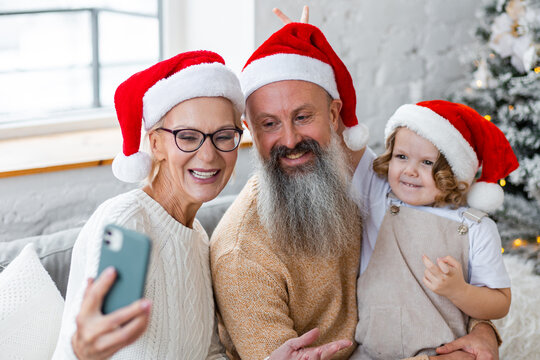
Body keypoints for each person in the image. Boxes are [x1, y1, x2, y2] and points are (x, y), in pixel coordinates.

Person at [210, 18, 503, 360]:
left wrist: (483, 330)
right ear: (250, 129)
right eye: (269, 124)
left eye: (303, 117)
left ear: (334, 114)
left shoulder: (366, 180)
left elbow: (449, 242)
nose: (289, 141)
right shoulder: (241, 253)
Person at [52, 50, 348, 360]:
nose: (208, 155)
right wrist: (82, 351)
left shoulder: (198, 240)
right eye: (189, 137)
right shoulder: (127, 219)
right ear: (156, 144)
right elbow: (87, 343)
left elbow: (208, 355)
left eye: (223, 136)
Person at [350, 100, 517, 359]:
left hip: (438, 354)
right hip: (371, 351)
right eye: (401, 156)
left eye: (427, 162)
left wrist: (459, 291)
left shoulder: (475, 228)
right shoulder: (379, 197)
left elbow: (500, 302)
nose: (410, 171)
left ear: (454, 172)